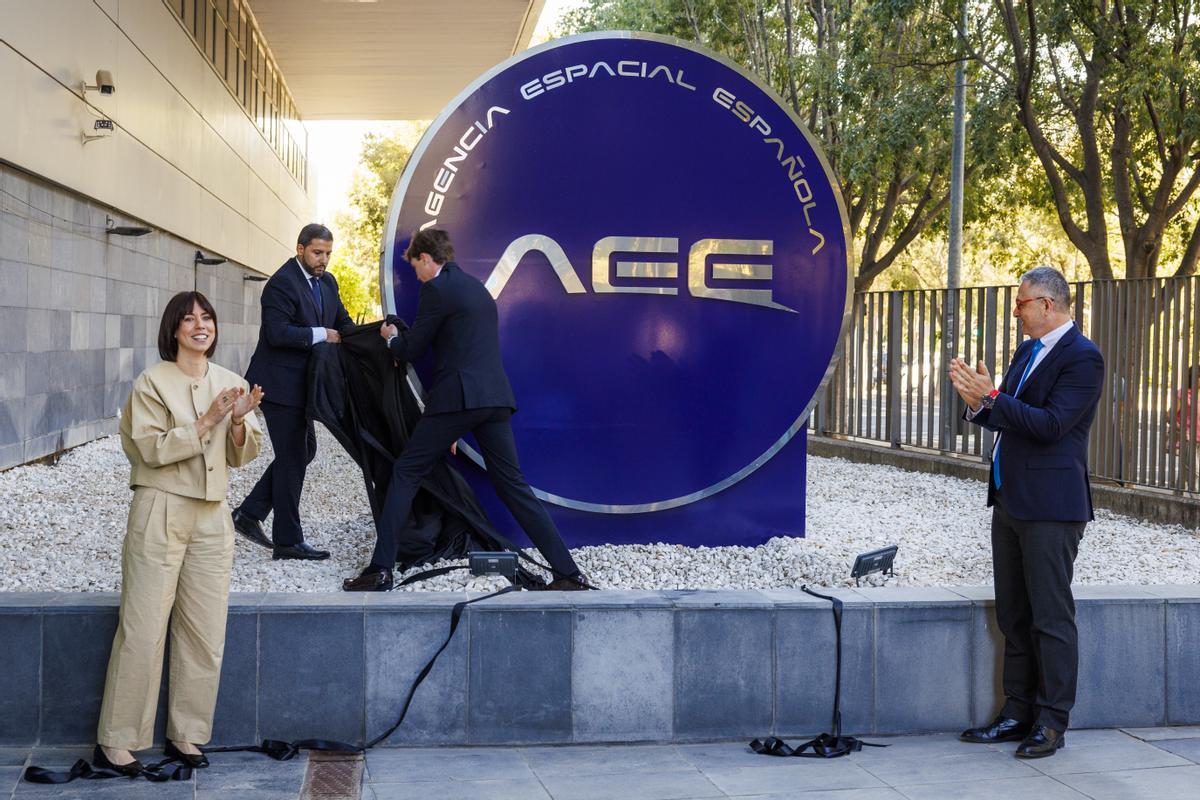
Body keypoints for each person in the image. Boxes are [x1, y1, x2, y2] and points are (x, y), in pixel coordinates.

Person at [342, 228, 589, 591]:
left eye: (415, 267)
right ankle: (569, 572)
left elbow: (411, 351)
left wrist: (391, 337)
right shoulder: (478, 290)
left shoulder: (437, 290)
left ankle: (380, 569)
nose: (416, 275)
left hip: (457, 399)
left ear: (426, 259)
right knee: (514, 486)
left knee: (407, 471)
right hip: (494, 399)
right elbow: (464, 348)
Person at [95, 292, 263, 774]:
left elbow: (243, 453)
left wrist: (236, 422)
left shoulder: (231, 381)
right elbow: (149, 450)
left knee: (204, 631)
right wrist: (208, 419)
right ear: (174, 330)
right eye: (189, 319)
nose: (199, 325)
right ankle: (116, 740)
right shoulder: (151, 382)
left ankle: (186, 734)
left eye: (207, 317)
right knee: (144, 627)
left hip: (213, 517)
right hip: (161, 508)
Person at [950, 266, 1103, 759]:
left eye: (1021, 303)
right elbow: (1008, 415)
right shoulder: (1025, 351)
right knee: (1014, 614)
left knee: (1050, 617)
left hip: (1052, 508)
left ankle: (1052, 722)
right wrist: (979, 404)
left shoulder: (1083, 358)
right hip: (1010, 498)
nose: (1016, 311)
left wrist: (994, 398)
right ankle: (1016, 713)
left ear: (1048, 305)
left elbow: (1052, 425)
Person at [233, 224, 352, 560]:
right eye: (317, 252)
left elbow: (342, 323)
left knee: (303, 452)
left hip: (304, 386)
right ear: (300, 249)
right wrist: (321, 333)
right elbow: (277, 333)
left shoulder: (328, 282)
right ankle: (286, 540)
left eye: (328, 253)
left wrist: (376, 337)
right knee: (294, 457)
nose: (324, 259)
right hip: (277, 384)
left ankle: (249, 513)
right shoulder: (280, 284)